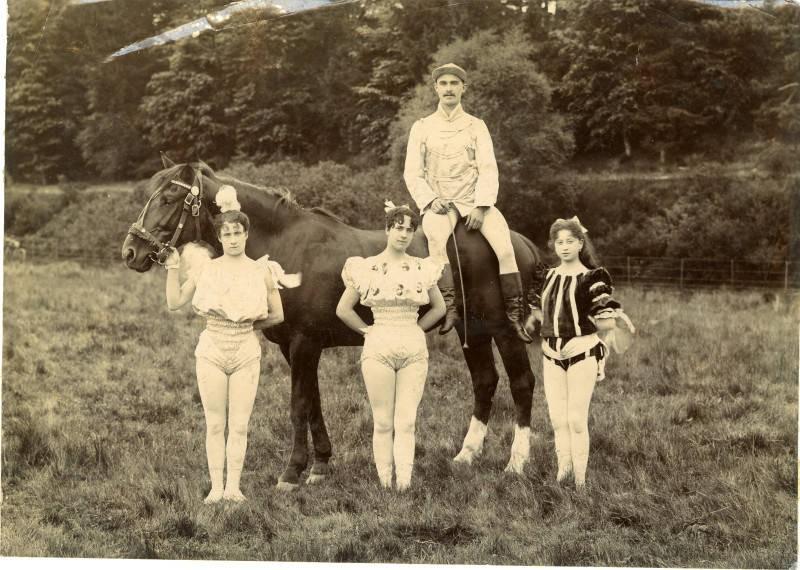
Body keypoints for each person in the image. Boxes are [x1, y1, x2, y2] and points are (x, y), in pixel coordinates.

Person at [163, 185, 285, 503]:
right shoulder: (207, 268)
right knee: (215, 424)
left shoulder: (262, 270)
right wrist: (173, 268)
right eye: (226, 234)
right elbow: (174, 302)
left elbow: (278, 315)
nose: (232, 239)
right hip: (212, 349)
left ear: (246, 234)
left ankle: (234, 487)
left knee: (240, 425)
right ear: (219, 238)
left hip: (245, 349)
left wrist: (245, 325)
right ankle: (217, 488)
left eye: (237, 233)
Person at [403, 62, 531, 343]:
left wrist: (482, 206)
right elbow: (412, 172)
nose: (449, 89)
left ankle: (514, 316)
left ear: (464, 88)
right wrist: (430, 200)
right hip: (441, 205)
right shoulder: (422, 127)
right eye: (444, 84)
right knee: (436, 246)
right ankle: (450, 310)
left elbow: (488, 168)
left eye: (454, 84)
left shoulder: (477, 125)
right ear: (436, 88)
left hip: (475, 201)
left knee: (505, 249)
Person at [336, 202, 446, 490]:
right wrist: (367, 331)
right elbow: (343, 309)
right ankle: (386, 484)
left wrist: (416, 330)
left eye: (410, 230)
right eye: (398, 228)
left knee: (407, 421)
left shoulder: (421, 267)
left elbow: (439, 308)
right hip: (378, 345)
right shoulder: (366, 266)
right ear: (387, 230)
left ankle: (404, 485)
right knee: (383, 421)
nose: (404, 234)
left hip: (412, 346)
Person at [529, 216, 633, 489]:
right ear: (554, 245)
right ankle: (562, 473)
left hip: (582, 352)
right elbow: (539, 313)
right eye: (559, 242)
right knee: (557, 418)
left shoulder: (592, 278)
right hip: (551, 354)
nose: (563, 247)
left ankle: (580, 482)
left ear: (580, 244)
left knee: (576, 419)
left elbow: (606, 320)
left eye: (569, 242)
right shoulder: (546, 276)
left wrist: (611, 318)